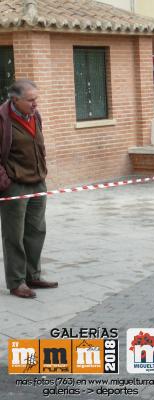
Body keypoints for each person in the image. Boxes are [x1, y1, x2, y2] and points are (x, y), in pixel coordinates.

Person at [0, 80, 57, 299]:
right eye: (31, 100)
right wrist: (5, 182)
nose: (35, 104)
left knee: (36, 231)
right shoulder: (3, 120)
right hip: (15, 185)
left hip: (37, 182)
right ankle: (16, 282)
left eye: (36, 99)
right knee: (14, 234)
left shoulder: (35, 116)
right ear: (15, 100)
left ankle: (33, 275)